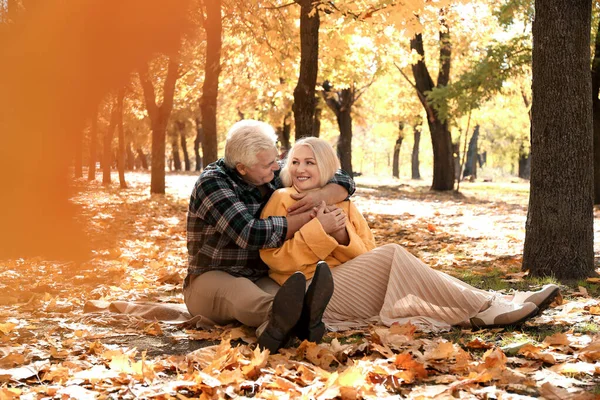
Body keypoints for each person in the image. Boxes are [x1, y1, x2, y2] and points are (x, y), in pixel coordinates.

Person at [260, 137, 560, 332]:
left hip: (348, 285)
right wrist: (319, 232)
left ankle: (492, 302)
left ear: (325, 167)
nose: (300, 168)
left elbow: (367, 256)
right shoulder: (283, 199)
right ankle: (487, 306)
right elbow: (276, 262)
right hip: (311, 291)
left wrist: (341, 233)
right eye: (295, 162)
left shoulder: (343, 203)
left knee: (396, 260)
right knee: (393, 254)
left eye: (309, 162)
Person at [184, 120, 354, 353]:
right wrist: (312, 219)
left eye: (277, 159)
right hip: (210, 279)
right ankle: (298, 319)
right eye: (269, 164)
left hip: (261, 275)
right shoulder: (213, 183)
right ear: (242, 168)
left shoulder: (268, 171)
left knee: (281, 294)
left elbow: (342, 177)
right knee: (241, 292)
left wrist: (320, 195)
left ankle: (274, 331)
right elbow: (250, 233)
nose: (277, 167)